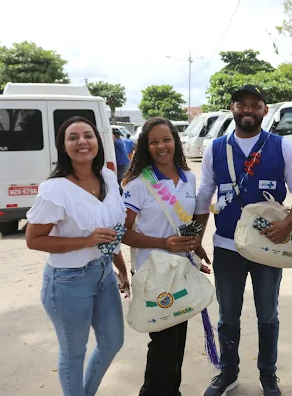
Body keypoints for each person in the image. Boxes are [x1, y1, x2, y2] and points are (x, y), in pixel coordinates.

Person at [194, 84, 292, 396]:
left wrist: (288, 226)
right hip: (227, 246)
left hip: (269, 246)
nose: (247, 110)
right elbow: (204, 196)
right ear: (232, 108)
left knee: (268, 316)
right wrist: (196, 239)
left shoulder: (281, 147)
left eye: (255, 105)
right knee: (227, 317)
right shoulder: (215, 148)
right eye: (241, 104)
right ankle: (227, 373)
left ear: (264, 110)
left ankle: (268, 375)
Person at [25, 116, 129, 396]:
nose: (82, 142)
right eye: (73, 137)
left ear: (98, 141)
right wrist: (86, 240)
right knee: (73, 353)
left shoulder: (107, 176)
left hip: (104, 274)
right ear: (64, 146)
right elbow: (33, 240)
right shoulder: (55, 189)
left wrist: (121, 268)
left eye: (88, 135)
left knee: (112, 342)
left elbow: (113, 230)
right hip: (67, 282)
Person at [121, 117, 210, 396]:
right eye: (154, 141)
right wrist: (163, 242)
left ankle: (172, 391)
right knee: (161, 342)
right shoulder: (137, 184)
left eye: (166, 139)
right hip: (153, 274)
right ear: (147, 147)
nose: (162, 146)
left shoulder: (188, 177)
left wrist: (195, 248)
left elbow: (183, 223)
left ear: (176, 141)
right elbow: (122, 233)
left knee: (176, 340)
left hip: (179, 271)